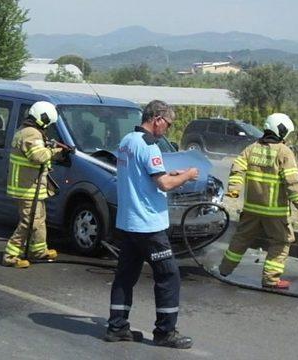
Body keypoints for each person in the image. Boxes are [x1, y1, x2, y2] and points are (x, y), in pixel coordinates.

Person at [104, 100, 199, 349]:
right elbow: (163, 184)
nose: (167, 129)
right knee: (168, 276)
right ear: (157, 119)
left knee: (125, 276)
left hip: (127, 222)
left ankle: (117, 327)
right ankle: (165, 332)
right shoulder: (149, 146)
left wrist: (172, 175)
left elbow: (143, 175)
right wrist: (187, 176)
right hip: (148, 226)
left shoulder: (127, 141)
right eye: (167, 124)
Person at [217, 113, 298, 289]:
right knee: (281, 242)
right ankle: (271, 279)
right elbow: (292, 182)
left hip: (251, 209)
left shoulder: (251, 149)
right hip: (274, 212)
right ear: (281, 131)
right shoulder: (284, 152)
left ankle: (224, 270)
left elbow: (237, 168)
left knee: (241, 239)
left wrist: (234, 190)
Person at [1, 101, 65, 269]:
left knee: (39, 219)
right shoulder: (31, 133)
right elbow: (38, 156)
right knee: (28, 222)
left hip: (31, 186)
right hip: (27, 188)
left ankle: (38, 251)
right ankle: (10, 256)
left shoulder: (27, 130)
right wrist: (55, 152)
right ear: (42, 118)